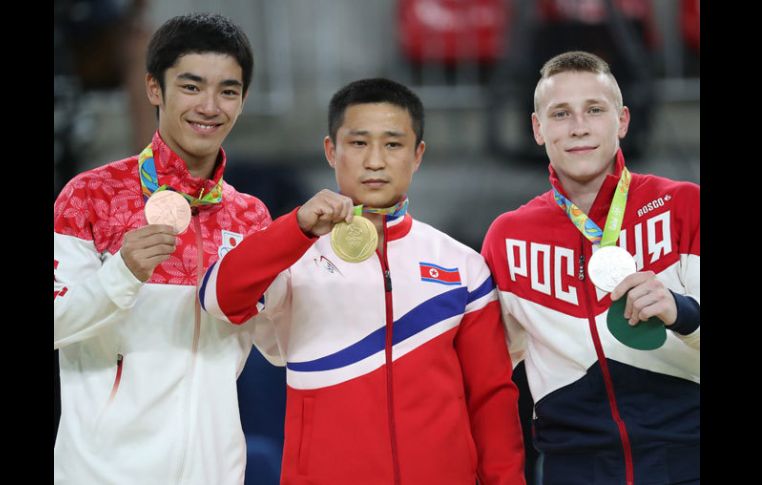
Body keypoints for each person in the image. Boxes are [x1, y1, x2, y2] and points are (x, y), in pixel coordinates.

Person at [200, 78, 526, 484]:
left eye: (393, 144)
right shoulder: (292, 255)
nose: (375, 160)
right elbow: (218, 298)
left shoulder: (463, 266)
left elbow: (491, 398)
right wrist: (296, 228)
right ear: (330, 151)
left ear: (417, 154)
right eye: (358, 143)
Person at [54, 13, 271, 484]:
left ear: (243, 99)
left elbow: (275, 347)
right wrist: (123, 272)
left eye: (228, 91)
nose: (210, 107)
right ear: (155, 88)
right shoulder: (88, 196)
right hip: (102, 473)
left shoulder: (251, 217)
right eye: (191, 87)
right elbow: (57, 322)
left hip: (213, 472)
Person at [481, 51, 699, 485]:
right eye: (560, 114)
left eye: (594, 110)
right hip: (573, 471)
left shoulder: (684, 206)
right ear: (538, 130)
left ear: (622, 121)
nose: (578, 126)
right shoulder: (507, 238)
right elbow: (488, 382)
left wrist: (683, 313)